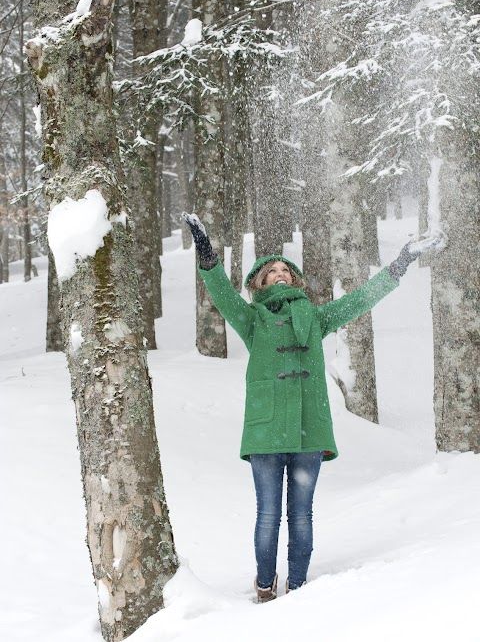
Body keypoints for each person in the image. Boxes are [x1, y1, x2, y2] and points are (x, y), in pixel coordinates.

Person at [181, 211, 434, 603]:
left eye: (285, 269)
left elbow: (361, 300)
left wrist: (399, 264)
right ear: (260, 283)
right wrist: (206, 251)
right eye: (271, 271)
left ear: (294, 279)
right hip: (266, 431)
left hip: (307, 429)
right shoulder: (253, 319)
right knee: (268, 515)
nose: (279, 273)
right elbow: (221, 295)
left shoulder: (315, 318)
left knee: (301, 515)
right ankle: (265, 588)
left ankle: (297, 589)